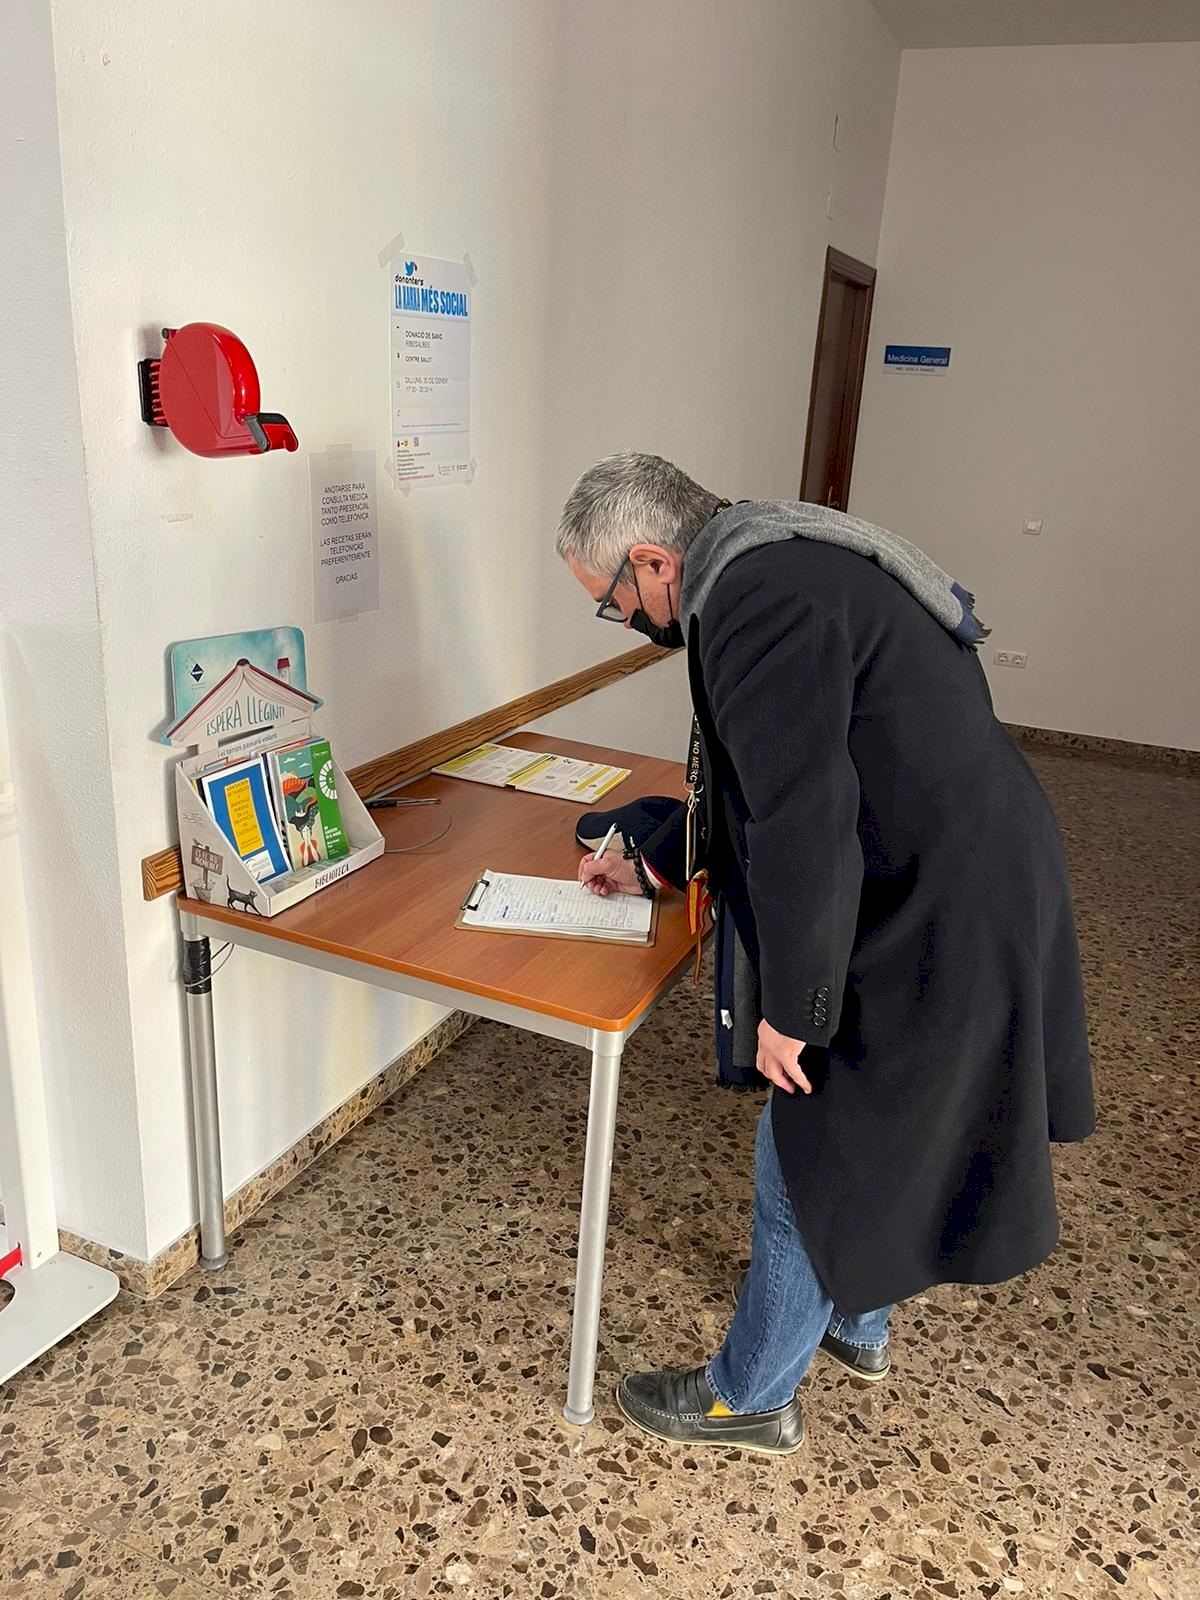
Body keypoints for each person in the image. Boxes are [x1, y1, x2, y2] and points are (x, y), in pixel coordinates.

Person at [555, 452, 1095, 1456]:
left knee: (809, 1149)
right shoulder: (773, 556)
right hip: (959, 868)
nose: (623, 619)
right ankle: (858, 1320)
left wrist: (793, 1011)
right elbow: (757, 787)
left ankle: (750, 1395)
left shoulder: (752, 603)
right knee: (891, 1123)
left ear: (653, 561)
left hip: (939, 897)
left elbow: (801, 821)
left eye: (612, 600)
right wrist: (655, 863)